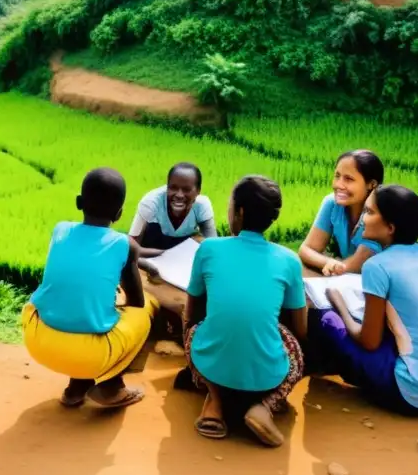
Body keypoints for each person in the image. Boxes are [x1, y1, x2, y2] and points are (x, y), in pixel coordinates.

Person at [310, 185, 418, 414]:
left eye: (369, 212)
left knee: (324, 318)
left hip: (416, 394)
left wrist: (338, 304)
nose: (362, 219)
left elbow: (369, 341)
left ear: (390, 227)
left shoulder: (377, 266)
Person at [185, 176, 307, 447]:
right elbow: (299, 329)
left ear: (238, 212)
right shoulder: (289, 260)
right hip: (266, 376)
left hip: (211, 364)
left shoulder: (209, 249)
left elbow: (191, 312)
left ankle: (214, 404)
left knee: (195, 330)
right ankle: (264, 406)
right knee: (294, 348)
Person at [23, 168, 159, 409]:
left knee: (82, 305)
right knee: (145, 311)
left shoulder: (60, 229)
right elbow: (136, 301)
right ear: (119, 214)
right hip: (89, 354)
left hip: (37, 337)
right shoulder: (124, 243)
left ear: (79, 202)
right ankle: (111, 386)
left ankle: (77, 386)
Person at [299, 150, 384, 276]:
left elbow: (354, 266)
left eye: (349, 179)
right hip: (348, 278)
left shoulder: (380, 213)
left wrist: (334, 265)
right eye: (337, 176)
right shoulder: (333, 203)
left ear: (371, 184)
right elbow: (307, 249)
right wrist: (329, 262)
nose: (339, 185)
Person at [130, 163, 215, 261]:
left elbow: (213, 248)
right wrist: (168, 255)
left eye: (186, 190)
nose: (179, 195)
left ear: (198, 191)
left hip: (183, 257)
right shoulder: (151, 202)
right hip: (151, 255)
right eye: (173, 188)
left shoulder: (202, 205)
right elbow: (131, 248)